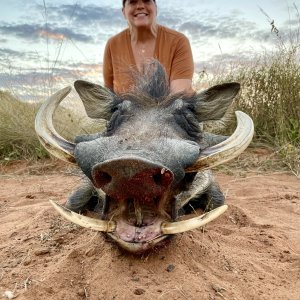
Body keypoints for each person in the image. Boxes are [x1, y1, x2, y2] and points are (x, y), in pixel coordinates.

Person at [103, 0, 194, 94]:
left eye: (146, 1)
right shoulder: (112, 44)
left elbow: (179, 96)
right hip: (125, 109)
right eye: (132, 2)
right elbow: (108, 93)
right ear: (124, 12)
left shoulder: (178, 41)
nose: (140, 6)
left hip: (166, 109)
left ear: (156, 8)